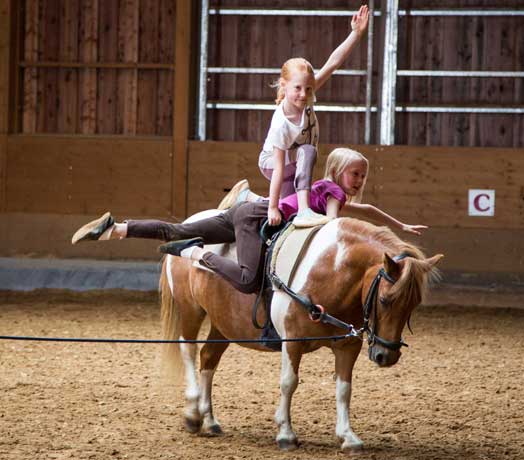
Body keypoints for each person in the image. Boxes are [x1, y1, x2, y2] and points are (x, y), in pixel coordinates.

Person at [71, 148, 427, 295]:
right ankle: (196, 256)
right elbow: (332, 226)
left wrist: (402, 226)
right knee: (247, 280)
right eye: (356, 174)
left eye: (363, 175)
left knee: (177, 229)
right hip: (256, 219)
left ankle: (115, 228)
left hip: (248, 210)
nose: (360, 180)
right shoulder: (333, 193)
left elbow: (369, 212)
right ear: (338, 172)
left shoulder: (328, 189)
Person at [250, 5, 370, 228]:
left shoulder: (308, 95)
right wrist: (272, 208)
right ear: (284, 86)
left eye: (308, 89)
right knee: (307, 151)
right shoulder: (282, 122)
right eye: (297, 88)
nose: (303, 94)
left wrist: (355, 33)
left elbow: (333, 63)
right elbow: (277, 168)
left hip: (292, 166)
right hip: (272, 164)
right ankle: (303, 210)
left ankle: (249, 200)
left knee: (288, 208)